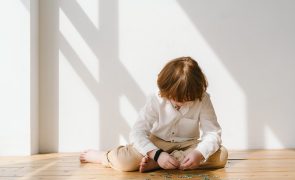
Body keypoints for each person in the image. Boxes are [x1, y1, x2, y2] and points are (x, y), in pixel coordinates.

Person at [80, 56, 228, 172]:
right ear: (165, 90)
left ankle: (162, 163)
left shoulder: (202, 98)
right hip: (157, 142)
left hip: (187, 144)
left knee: (221, 156)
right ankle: (103, 157)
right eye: (175, 98)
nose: (180, 103)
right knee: (124, 161)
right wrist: (156, 154)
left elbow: (213, 132)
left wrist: (199, 153)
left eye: (186, 99)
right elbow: (137, 132)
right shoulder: (155, 99)